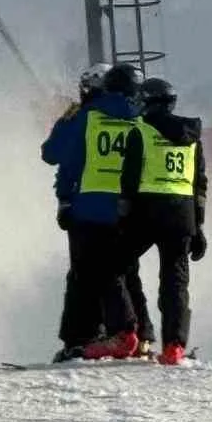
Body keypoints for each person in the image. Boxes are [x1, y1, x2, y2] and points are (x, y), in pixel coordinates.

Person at [43, 64, 155, 360]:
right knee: (127, 273)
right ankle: (143, 336)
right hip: (132, 210)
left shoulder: (86, 117)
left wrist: (65, 200)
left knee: (84, 276)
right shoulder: (143, 119)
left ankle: (83, 338)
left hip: (88, 208)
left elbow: (52, 153)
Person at [118, 77, 207, 366]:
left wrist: (123, 216)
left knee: (116, 265)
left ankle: (134, 331)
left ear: (148, 102)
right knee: (175, 282)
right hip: (182, 216)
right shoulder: (193, 137)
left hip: (147, 211)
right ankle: (174, 347)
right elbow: (199, 184)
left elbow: (129, 181)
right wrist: (199, 227)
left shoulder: (140, 132)